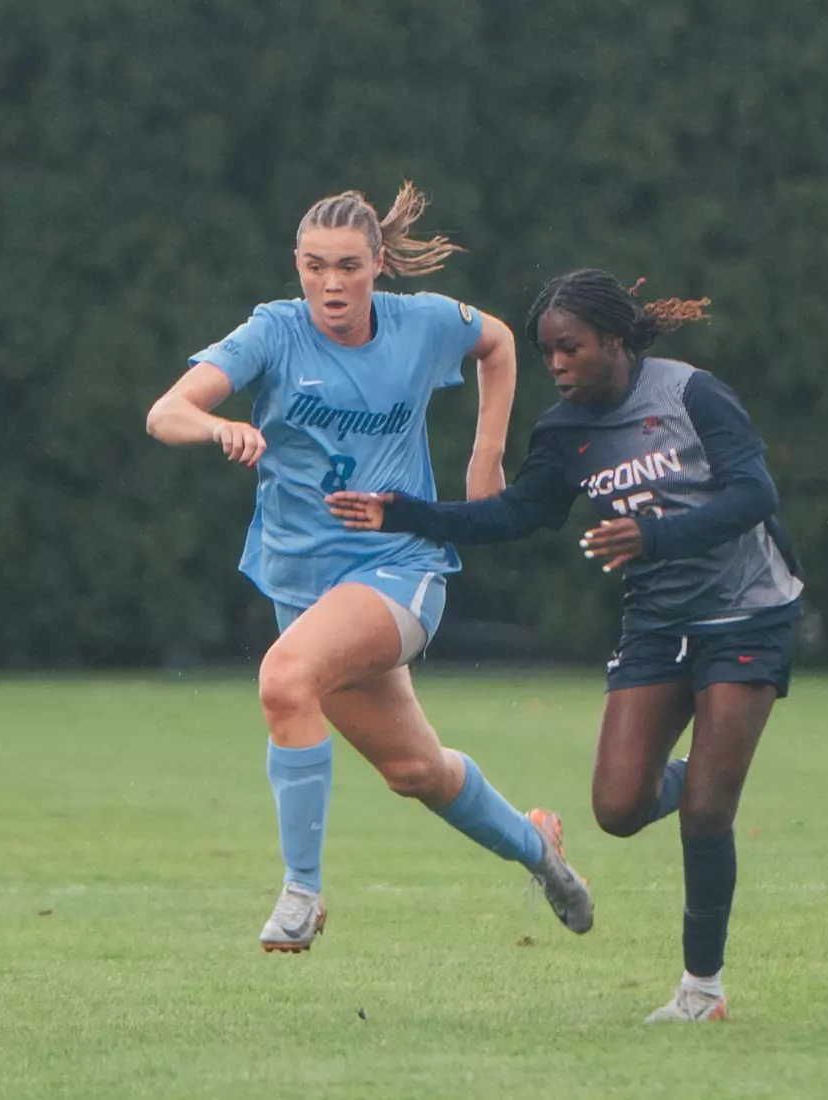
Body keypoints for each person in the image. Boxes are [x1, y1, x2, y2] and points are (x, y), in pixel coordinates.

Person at [328, 269, 803, 1019]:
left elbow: (754, 495)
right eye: (545, 353)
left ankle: (701, 990)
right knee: (616, 808)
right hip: (656, 622)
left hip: (747, 612)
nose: (554, 365)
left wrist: (653, 533)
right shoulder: (564, 431)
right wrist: (405, 515)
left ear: (612, 341)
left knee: (706, 813)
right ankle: (713, 758)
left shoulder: (690, 395)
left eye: (567, 349)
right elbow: (516, 514)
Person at [145, 184, 594, 953]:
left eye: (347, 267)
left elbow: (496, 343)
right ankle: (537, 847)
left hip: (398, 567)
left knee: (284, 678)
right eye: (314, 266)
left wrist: (484, 455)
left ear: (377, 266)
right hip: (304, 584)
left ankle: (301, 894)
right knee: (415, 771)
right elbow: (166, 412)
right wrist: (217, 428)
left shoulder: (421, 323)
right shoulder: (273, 333)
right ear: (296, 266)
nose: (330, 284)